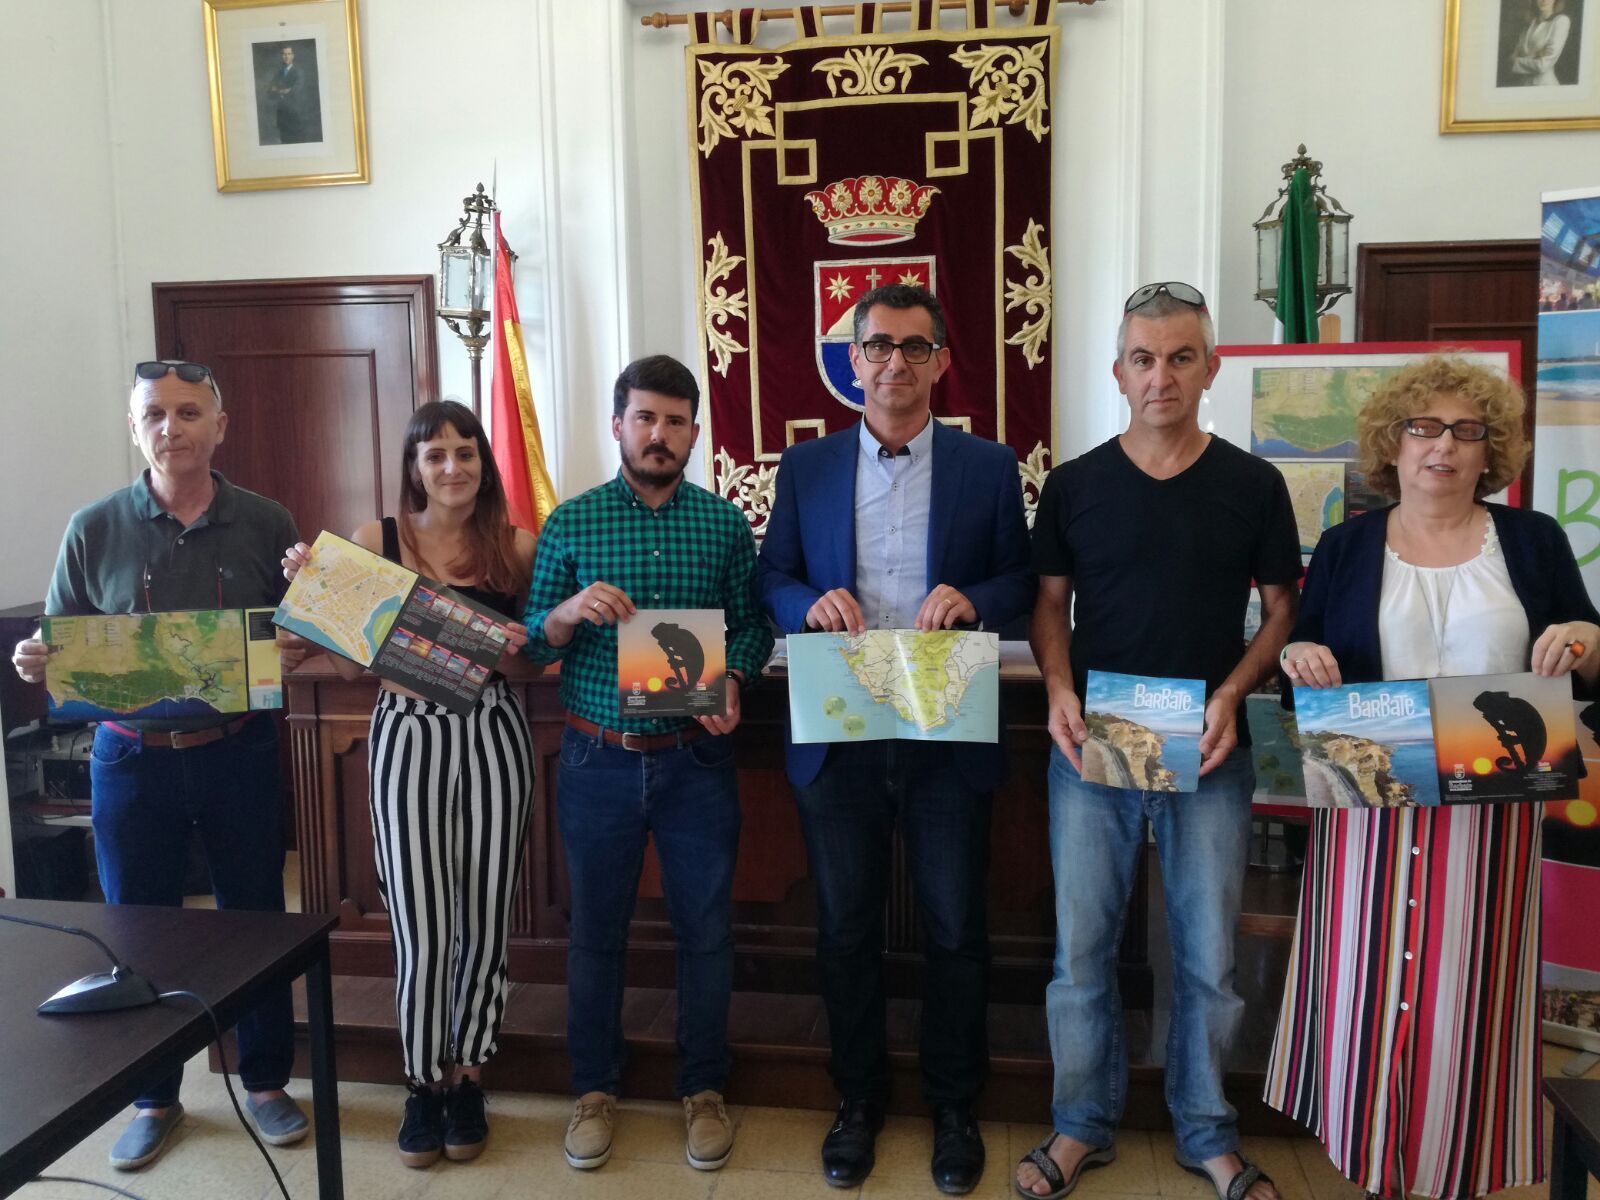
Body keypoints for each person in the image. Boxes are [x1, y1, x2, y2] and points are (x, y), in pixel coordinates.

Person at [1265, 356, 1600, 1199]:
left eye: (1465, 430)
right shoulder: (1345, 545)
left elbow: (1589, 648)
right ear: (1394, 443)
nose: (1442, 446)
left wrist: (1584, 640)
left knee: (1466, 995)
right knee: (1366, 991)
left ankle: (1460, 1163)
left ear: (1492, 449)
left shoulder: (1533, 540)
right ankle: (1370, 1161)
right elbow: (1302, 659)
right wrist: (1301, 656)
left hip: (1492, 818)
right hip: (1370, 812)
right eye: (1424, 428)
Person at [1019, 283, 1300, 1200]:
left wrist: (1233, 692)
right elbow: (1048, 604)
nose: (1161, 376)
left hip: (1210, 749)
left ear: (1211, 368)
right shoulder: (1075, 485)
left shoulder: (1254, 485)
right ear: (1119, 372)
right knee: (1081, 957)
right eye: (1144, 358)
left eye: (1181, 358)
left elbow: (1282, 609)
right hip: (1092, 746)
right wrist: (1058, 687)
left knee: (1209, 961)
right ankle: (1080, 1125)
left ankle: (1207, 1130)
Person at [758, 284, 1033, 1195]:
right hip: (840, 729)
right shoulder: (807, 467)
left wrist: (975, 599)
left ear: (941, 360)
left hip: (945, 728)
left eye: (916, 347)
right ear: (854, 360)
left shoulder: (988, 467)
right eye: (879, 345)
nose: (896, 363)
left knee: (956, 928)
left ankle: (955, 1105)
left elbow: (1020, 578)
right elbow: (772, 576)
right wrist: (807, 604)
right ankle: (858, 1100)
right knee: (845, 929)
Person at [10, 360, 310, 1170]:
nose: (170, 428)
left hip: (238, 752)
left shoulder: (267, 521)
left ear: (220, 425)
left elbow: (299, 632)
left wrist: (296, 640)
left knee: (255, 921)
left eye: (188, 412)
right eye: (154, 415)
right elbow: (59, 638)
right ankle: (152, 1096)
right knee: (135, 930)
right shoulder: (92, 527)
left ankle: (266, 1082)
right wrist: (35, 657)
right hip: (129, 760)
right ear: (133, 428)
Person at [522, 354, 773, 1174]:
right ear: (618, 425)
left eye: (674, 421)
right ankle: (595, 1090)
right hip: (597, 758)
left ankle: (703, 1088)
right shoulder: (572, 522)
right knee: (597, 932)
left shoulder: (724, 524)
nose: (658, 434)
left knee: (706, 931)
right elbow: (532, 642)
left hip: (696, 759)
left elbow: (753, 625)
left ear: (695, 432)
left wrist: (734, 674)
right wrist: (566, 611)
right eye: (644, 418)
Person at [281, 399, 536, 1168]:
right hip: (407, 733)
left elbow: (533, 665)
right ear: (414, 468)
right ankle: (421, 1081)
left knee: (486, 915)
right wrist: (313, 594)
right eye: (436, 455)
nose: (453, 467)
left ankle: (471, 1076)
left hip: (494, 732)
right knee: (421, 921)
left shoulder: (516, 547)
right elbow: (345, 663)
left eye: (466, 452)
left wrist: (518, 646)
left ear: (484, 464)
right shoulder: (376, 542)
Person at [1507, 0, 1571, 86]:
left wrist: (1515, 61)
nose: (1544, 0)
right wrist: (1536, 54)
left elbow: (1542, 66)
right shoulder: (1529, 24)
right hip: (1523, 85)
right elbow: (1510, 61)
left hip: (1545, 86)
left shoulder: (1561, 21)